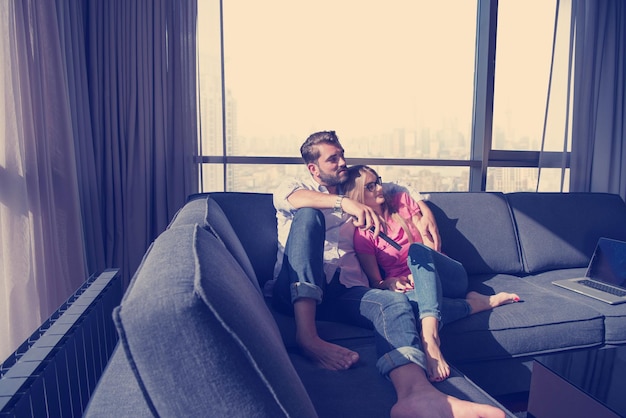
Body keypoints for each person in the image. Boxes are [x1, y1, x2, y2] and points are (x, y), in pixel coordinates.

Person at [271, 130, 506, 418]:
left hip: (344, 291)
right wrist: (344, 204)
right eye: (333, 159)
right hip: (294, 288)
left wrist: (422, 207)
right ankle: (307, 337)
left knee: (393, 303)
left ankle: (417, 395)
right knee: (308, 215)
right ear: (313, 167)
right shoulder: (297, 186)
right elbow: (292, 198)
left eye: (342, 154)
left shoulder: (352, 187)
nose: (342, 162)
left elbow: (394, 187)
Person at [343, 165, 521, 382]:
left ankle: (430, 338)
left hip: (446, 274)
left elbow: (430, 246)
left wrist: (420, 276)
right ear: (358, 195)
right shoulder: (363, 234)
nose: (380, 188)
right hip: (415, 291)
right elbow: (376, 282)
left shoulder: (401, 202)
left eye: (378, 181)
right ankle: (478, 303)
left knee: (418, 251)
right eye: (371, 186)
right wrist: (388, 282)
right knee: (404, 306)